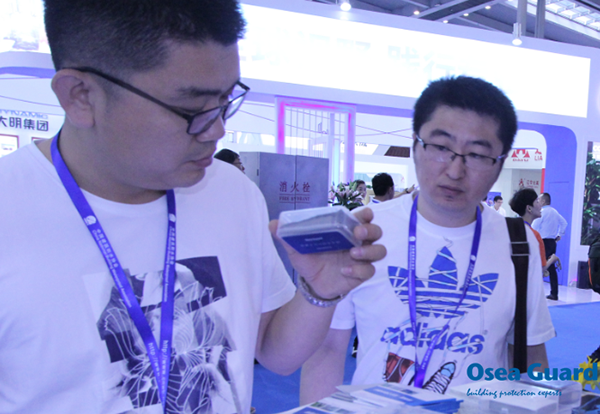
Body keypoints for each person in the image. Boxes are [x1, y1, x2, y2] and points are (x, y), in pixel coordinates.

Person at [0, 1, 386, 413]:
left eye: (225, 99)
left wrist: (318, 290)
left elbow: (274, 352)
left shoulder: (232, 193)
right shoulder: (13, 208)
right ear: (81, 96)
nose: (217, 129)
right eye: (190, 110)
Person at [300, 76, 555, 403]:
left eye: (477, 154)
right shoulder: (362, 229)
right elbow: (328, 349)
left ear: (500, 163)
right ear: (415, 146)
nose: (455, 170)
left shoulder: (518, 242)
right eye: (441, 147)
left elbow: (531, 351)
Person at [509, 188, 560, 275]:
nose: (540, 205)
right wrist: (553, 259)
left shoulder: (511, 229)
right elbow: (541, 268)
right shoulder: (535, 235)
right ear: (529, 208)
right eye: (537, 202)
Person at [532, 192, 568, 300]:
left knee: (538, 266)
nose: (537, 202)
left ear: (543, 201)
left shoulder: (542, 212)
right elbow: (564, 223)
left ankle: (535, 293)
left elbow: (534, 226)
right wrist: (559, 234)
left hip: (542, 242)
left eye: (538, 200)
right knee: (551, 267)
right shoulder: (554, 212)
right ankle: (554, 293)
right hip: (552, 242)